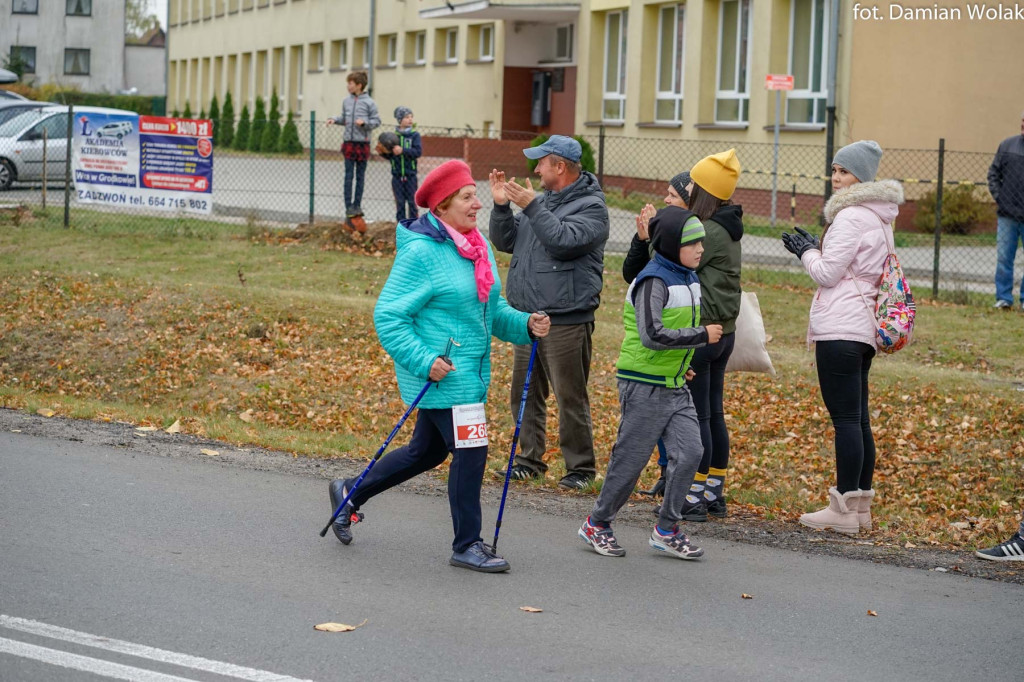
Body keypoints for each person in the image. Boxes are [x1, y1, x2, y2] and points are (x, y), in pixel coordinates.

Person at [326, 159, 551, 572]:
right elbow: (389, 317)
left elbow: (491, 310)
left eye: (474, 195)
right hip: (445, 376)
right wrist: (425, 360)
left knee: (425, 452)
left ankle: (349, 492)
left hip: (469, 374)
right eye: (467, 197)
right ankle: (467, 544)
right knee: (472, 452)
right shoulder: (422, 254)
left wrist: (525, 325)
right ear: (443, 206)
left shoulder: (475, 246)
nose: (477, 204)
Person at [578, 206, 722, 559]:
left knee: (691, 452)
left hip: (674, 383)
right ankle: (597, 523)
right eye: (692, 243)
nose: (700, 249)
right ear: (672, 245)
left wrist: (684, 363)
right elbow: (652, 334)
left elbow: (670, 338)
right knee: (631, 459)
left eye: (701, 241)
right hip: (643, 384)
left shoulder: (689, 278)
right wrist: (701, 335)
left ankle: (666, 529)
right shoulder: (653, 280)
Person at [781, 140, 902, 534]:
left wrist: (805, 252)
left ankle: (843, 509)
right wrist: (818, 250)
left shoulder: (851, 217)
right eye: (834, 170)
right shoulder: (880, 218)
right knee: (859, 419)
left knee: (846, 420)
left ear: (861, 177)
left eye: (844, 172)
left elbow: (827, 273)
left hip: (841, 326)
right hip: (862, 329)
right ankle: (860, 506)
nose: (836, 179)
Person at [488, 135, 610, 490]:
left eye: (541, 162)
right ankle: (529, 459)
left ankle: (581, 469)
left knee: (569, 395)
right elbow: (507, 242)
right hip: (528, 318)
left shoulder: (592, 208)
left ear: (560, 166)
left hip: (566, 318)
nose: (536, 168)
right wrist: (500, 208)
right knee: (524, 393)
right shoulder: (544, 203)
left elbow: (563, 242)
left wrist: (532, 207)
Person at [677, 149, 744, 522]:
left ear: (704, 191)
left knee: (698, 416)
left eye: (692, 183)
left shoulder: (707, 231)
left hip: (703, 333)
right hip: (725, 334)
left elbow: (673, 255)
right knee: (713, 413)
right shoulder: (728, 225)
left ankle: (692, 496)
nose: (686, 187)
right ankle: (713, 492)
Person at [622, 170, 691, 498]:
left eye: (673, 196)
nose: (665, 200)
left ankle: (683, 485)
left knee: (683, 423)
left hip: (684, 341)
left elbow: (667, 274)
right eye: (666, 193)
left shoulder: (690, 242)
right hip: (659, 348)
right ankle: (667, 475)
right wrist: (643, 240)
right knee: (659, 421)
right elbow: (633, 275)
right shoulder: (663, 238)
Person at [325, 71, 380, 218]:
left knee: (360, 177)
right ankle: (348, 206)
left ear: (359, 85)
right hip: (348, 143)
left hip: (362, 144)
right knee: (348, 176)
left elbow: (376, 122)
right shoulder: (346, 101)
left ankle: (357, 205)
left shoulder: (370, 103)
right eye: (348, 84)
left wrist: (364, 124)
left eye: (350, 84)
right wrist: (334, 120)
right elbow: (344, 119)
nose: (348, 86)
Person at [987, 110, 1024, 310]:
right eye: (1023, 121)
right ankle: (1004, 298)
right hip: (1007, 215)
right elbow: (993, 173)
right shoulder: (1007, 145)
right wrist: (1000, 198)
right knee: (1004, 259)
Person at [380, 106, 422, 222]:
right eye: (406, 117)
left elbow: (418, 152)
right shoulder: (393, 137)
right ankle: (401, 226)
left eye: (411, 117)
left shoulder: (414, 135)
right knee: (400, 203)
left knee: (412, 203)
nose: (410, 120)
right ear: (400, 120)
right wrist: (383, 152)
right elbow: (391, 156)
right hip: (397, 176)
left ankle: (414, 227)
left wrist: (403, 150)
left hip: (410, 176)